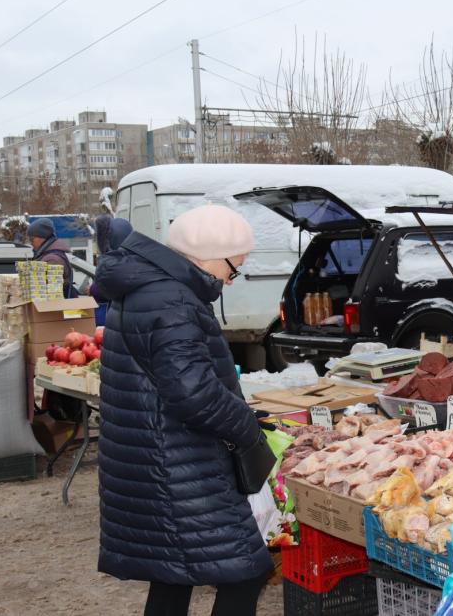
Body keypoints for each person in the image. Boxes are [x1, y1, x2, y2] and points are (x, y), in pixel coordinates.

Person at [94, 204, 271, 616]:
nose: (231, 279)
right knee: (245, 569)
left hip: (157, 454)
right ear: (209, 256)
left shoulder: (150, 286)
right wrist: (245, 427)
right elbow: (193, 392)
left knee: (173, 572)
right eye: (234, 268)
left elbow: (180, 378)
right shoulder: (170, 298)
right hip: (176, 463)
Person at [27, 218, 75, 298]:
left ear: (42, 238)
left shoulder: (52, 259)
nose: (30, 243)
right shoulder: (46, 255)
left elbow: (42, 289)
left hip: (56, 307)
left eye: (32, 239)